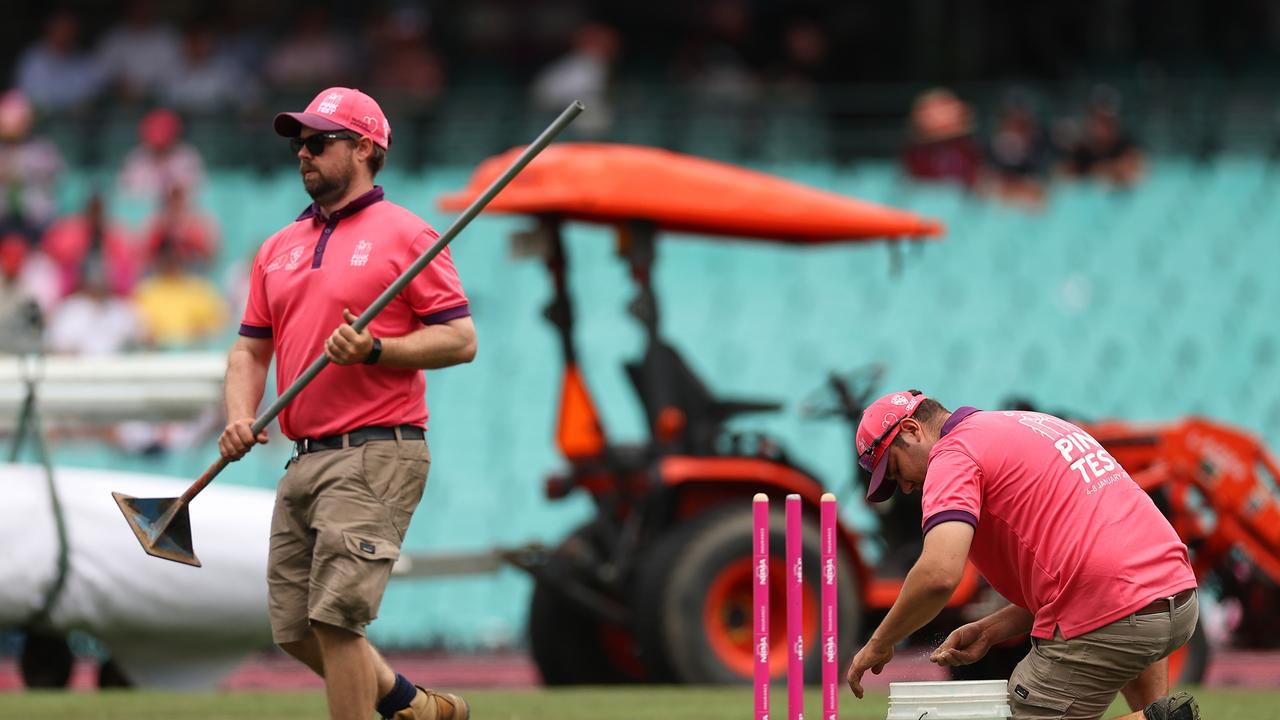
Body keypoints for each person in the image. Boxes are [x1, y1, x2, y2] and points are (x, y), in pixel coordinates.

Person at [218, 87, 476, 720]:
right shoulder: (276, 247)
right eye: (297, 144)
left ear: (364, 148)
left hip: (375, 452)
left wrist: (374, 350)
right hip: (303, 457)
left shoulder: (407, 234)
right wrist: (238, 417)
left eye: (317, 142)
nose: (302, 154)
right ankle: (416, 709)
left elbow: (460, 339)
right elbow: (249, 352)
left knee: (336, 621)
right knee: (294, 629)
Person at [844, 391, 1200, 720]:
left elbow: (938, 574)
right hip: (1173, 594)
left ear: (912, 429)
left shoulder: (952, 455)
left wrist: (880, 643)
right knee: (1139, 691)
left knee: (1026, 707)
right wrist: (991, 630)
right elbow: (1082, 562)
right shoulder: (1024, 424)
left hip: (1114, 610)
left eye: (896, 469)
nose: (905, 487)